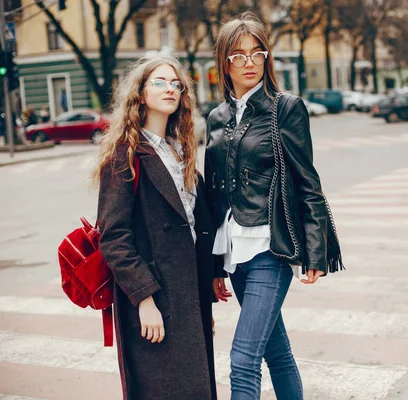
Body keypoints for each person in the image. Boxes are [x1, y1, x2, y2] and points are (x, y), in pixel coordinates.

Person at [205, 12, 343, 400]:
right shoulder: (216, 117)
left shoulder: (286, 108)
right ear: (224, 63)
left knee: (243, 358)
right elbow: (216, 196)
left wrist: (315, 251)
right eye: (238, 55)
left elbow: (307, 183)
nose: (249, 63)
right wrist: (215, 264)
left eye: (257, 53)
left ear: (267, 58)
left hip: (270, 246)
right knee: (275, 352)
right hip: (234, 251)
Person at [93, 55, 218, 400]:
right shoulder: (125, 155)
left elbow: (196, 226)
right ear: (141, 93)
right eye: (160, 82)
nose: (170, 89)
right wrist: (144, 299)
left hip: (187, 294)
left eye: (177, 84)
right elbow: (114, 237)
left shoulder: (181, 151)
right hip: (155, 297)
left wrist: (204, 294)